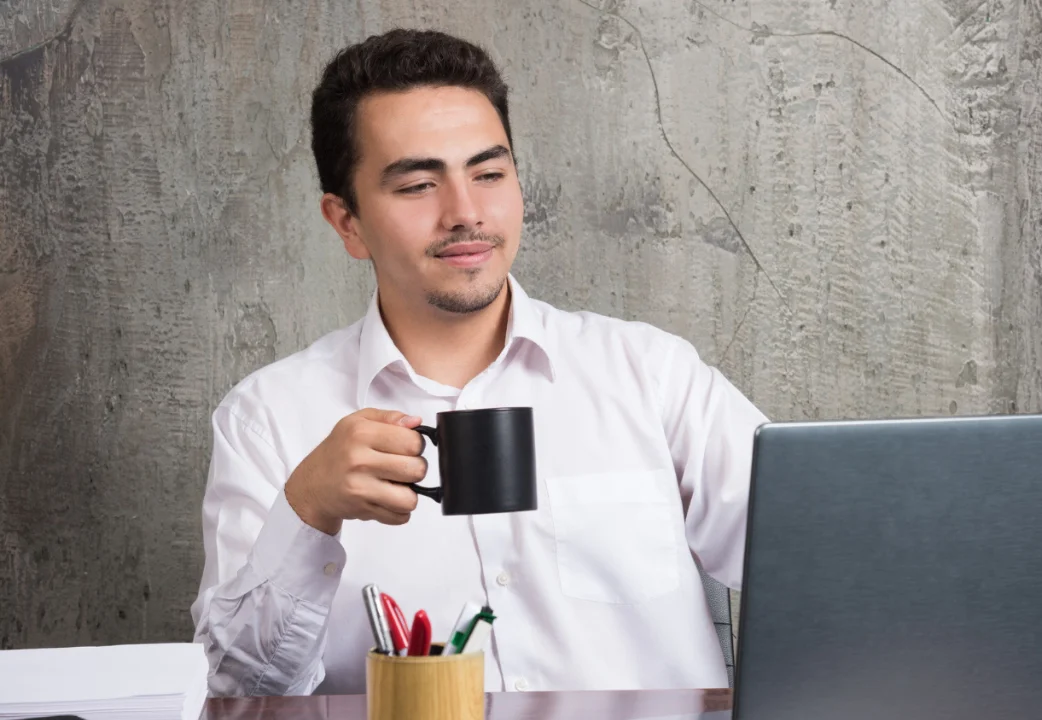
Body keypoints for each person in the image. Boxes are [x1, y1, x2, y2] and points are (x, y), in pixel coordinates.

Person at [190, 28, 768, 696]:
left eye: (489, 174)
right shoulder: (268, 419)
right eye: (416, 186)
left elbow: (817, 564)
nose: (466, 214)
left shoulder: (652, 376)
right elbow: (243, 691)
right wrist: (309, 511)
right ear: (346, 222)